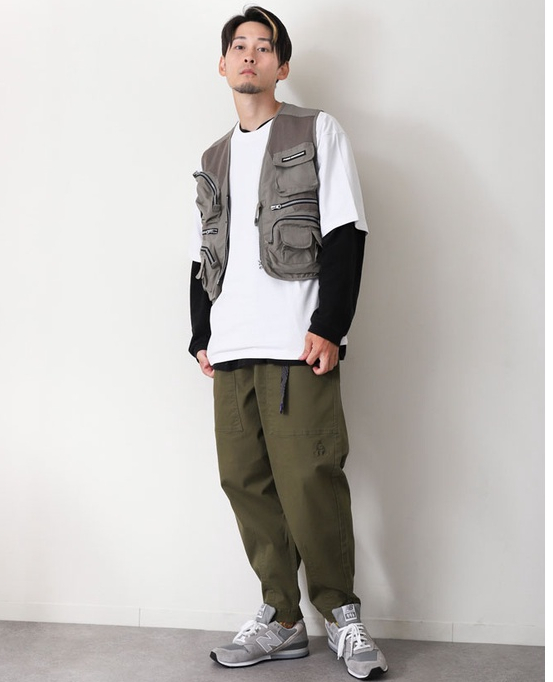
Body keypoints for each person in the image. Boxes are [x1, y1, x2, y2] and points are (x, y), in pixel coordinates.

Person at [188, 6, 388, 680]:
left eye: (264, 46)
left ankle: (343, 616)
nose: (250, 55)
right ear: (223, 64)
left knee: (311, 482)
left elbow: (347, 230)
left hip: (297, 342)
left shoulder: (316, 129)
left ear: (282, 65)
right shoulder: (213, 157)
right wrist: (200, 334)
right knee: (244, 483)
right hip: (231, 347)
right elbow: (203, 253)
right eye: (239, 46)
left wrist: (330, 325)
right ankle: (281, 618)